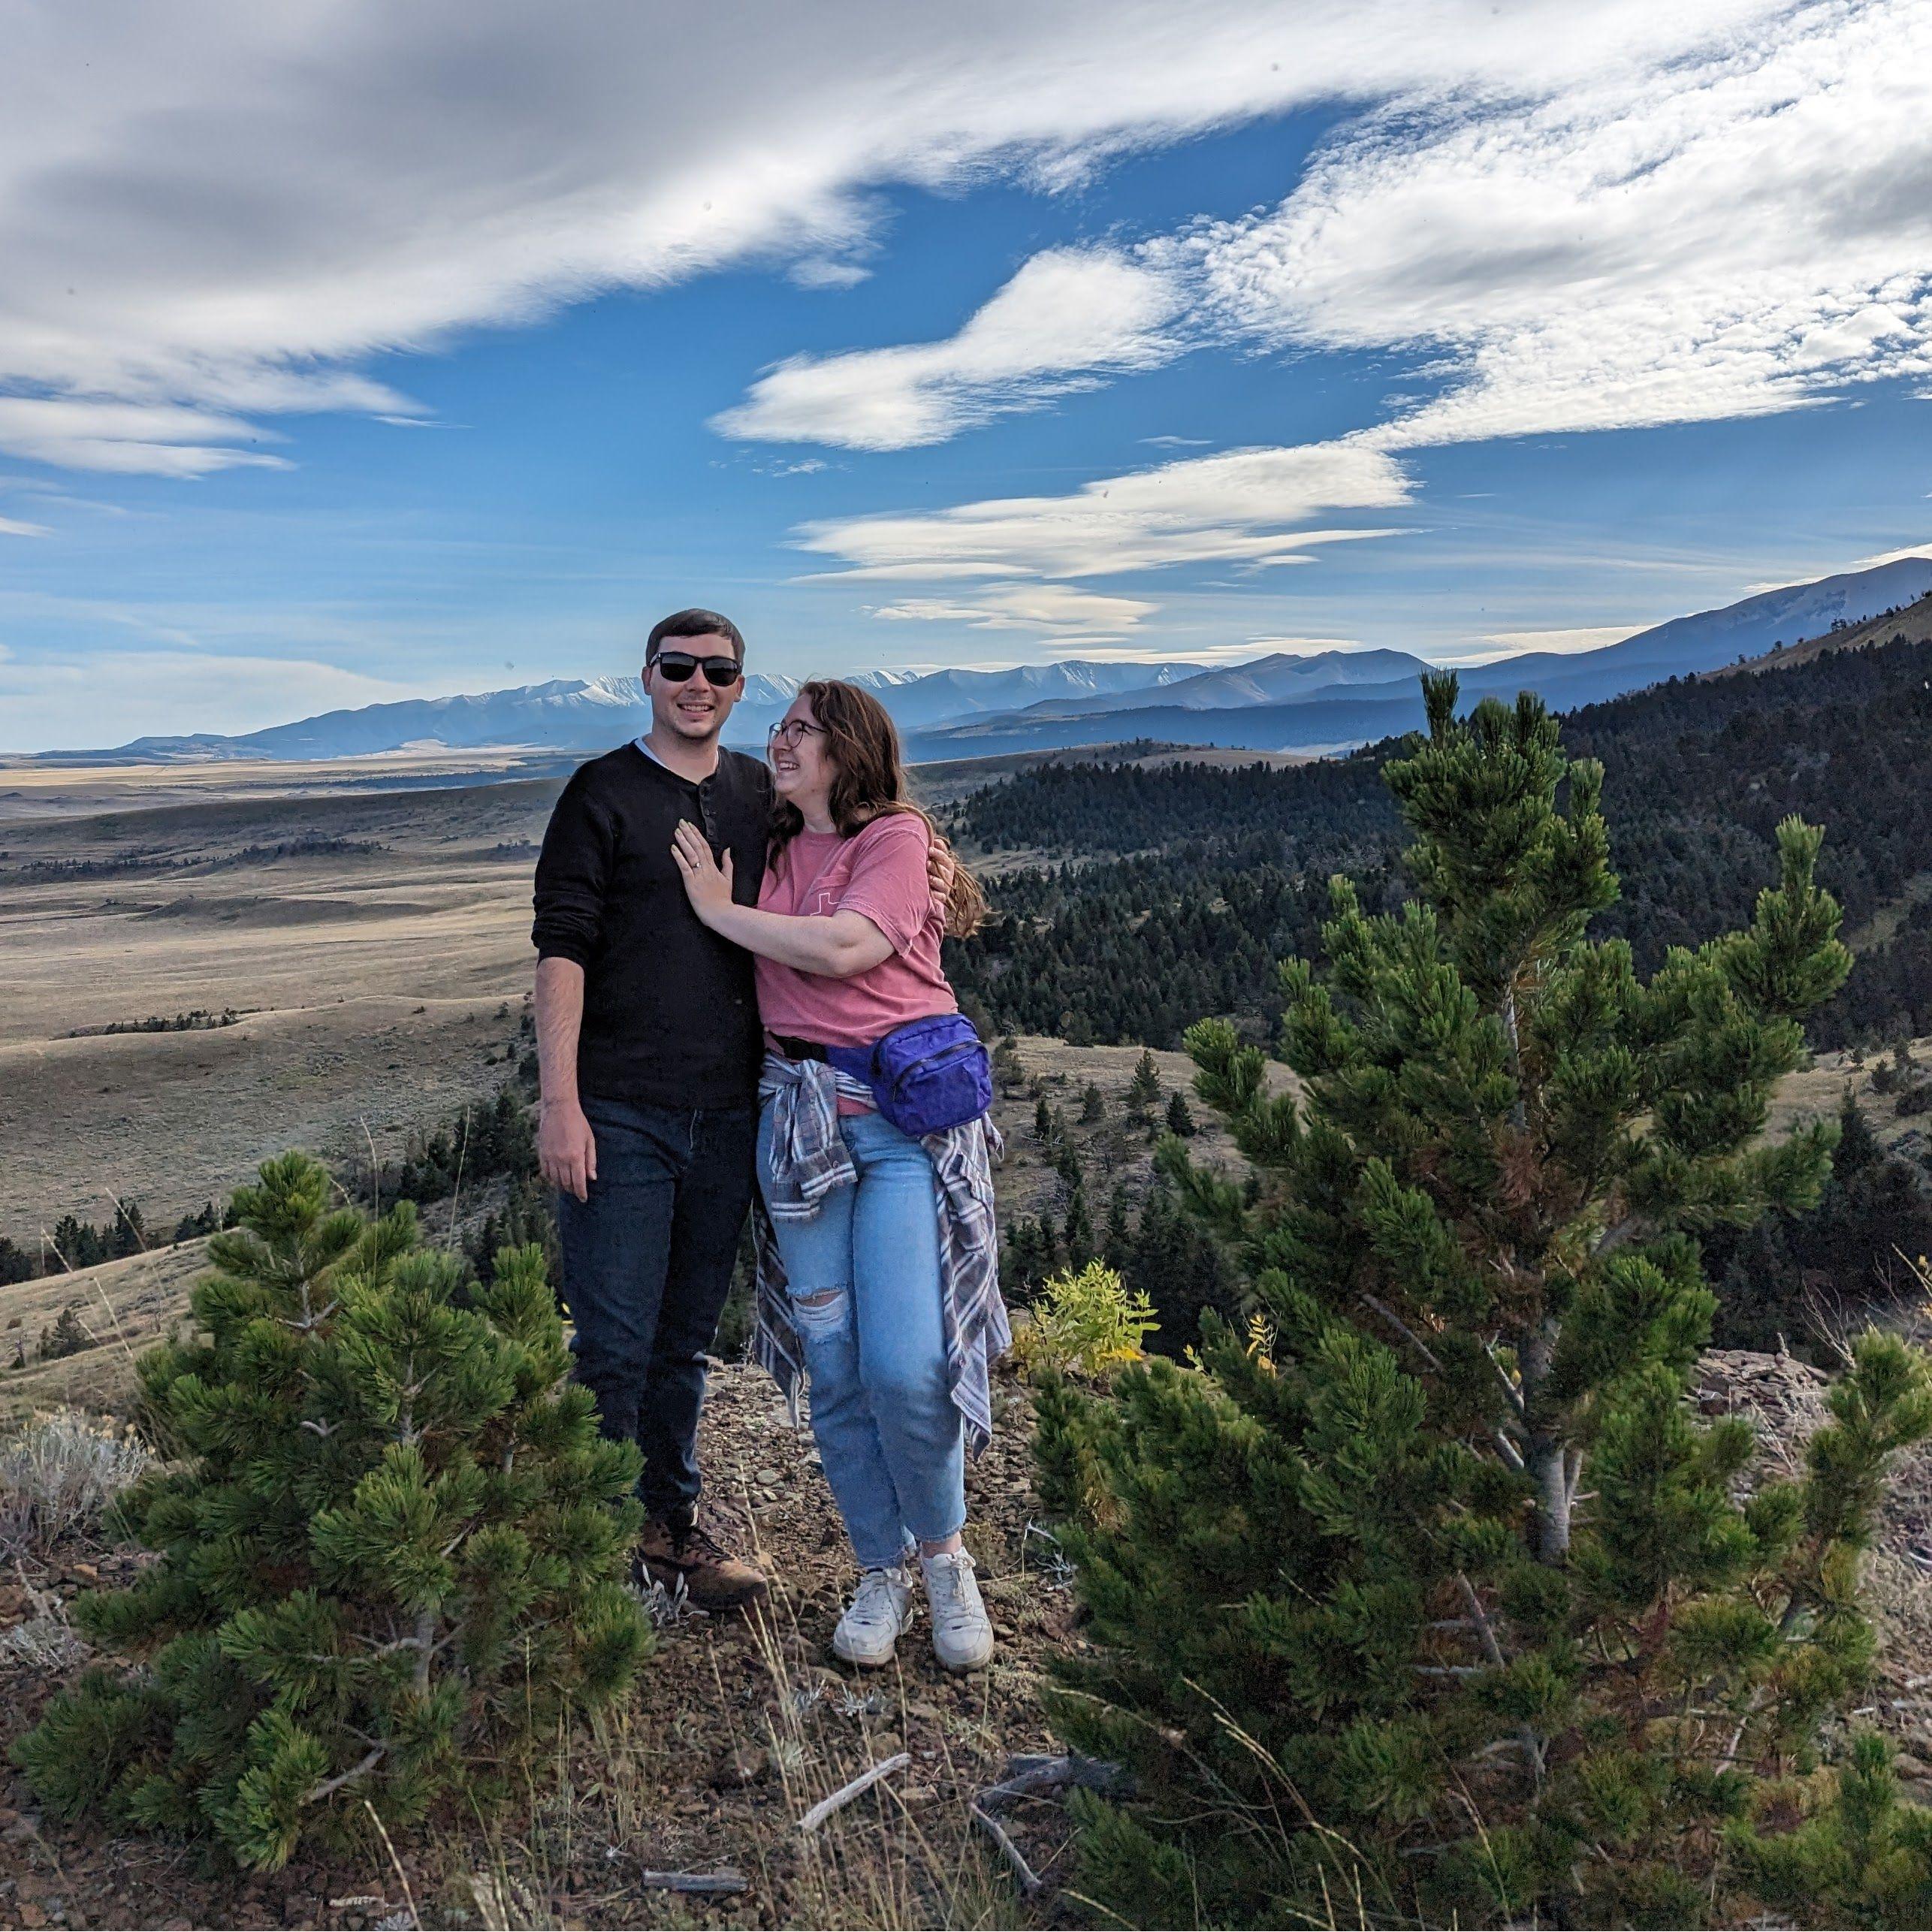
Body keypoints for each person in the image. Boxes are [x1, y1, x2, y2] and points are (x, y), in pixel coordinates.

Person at [530, 613, 954, 1615]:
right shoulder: (601, 794)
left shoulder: (760, 796)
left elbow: (848, 854)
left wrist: (927, 869)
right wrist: (560, 1102)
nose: (699, 684)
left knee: (682, 1340)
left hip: (736, 1112)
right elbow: (562, 949)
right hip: (620, 1109)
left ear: (736, 684)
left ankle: (669, 1530)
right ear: (646, 677)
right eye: (679, 667)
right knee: (613, 1344)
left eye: (719, 671)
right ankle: (588, 1552)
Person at [670, 679, 1009, 1673]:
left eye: (803, 729)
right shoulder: (769, 842)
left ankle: (944, 1557)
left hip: (895, 1129)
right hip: (797, 1127)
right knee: (834, 1364)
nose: (781, 740)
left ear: (850, 749)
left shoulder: (896, 839)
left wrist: (718, 911)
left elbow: (850, 946)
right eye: (779, 726)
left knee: (905, 1367)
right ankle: (879, 1567)